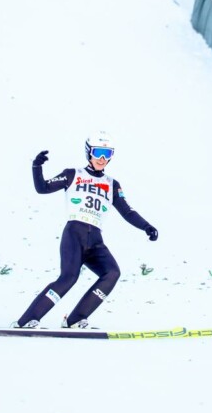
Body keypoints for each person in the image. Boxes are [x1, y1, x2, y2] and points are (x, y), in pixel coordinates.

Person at [15, 131, 158, 329]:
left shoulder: (112, 184)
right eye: (98, 152)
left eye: (107, 154)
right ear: (89, 153)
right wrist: (36, 166)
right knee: (69, 278)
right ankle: (26, 320)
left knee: (112, 273)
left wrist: (147, 226)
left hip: (96, 239)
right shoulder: (72, 174)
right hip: (75, 232)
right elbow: (42, 188)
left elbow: (127, 211)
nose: (102, 158)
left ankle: (75, 318)